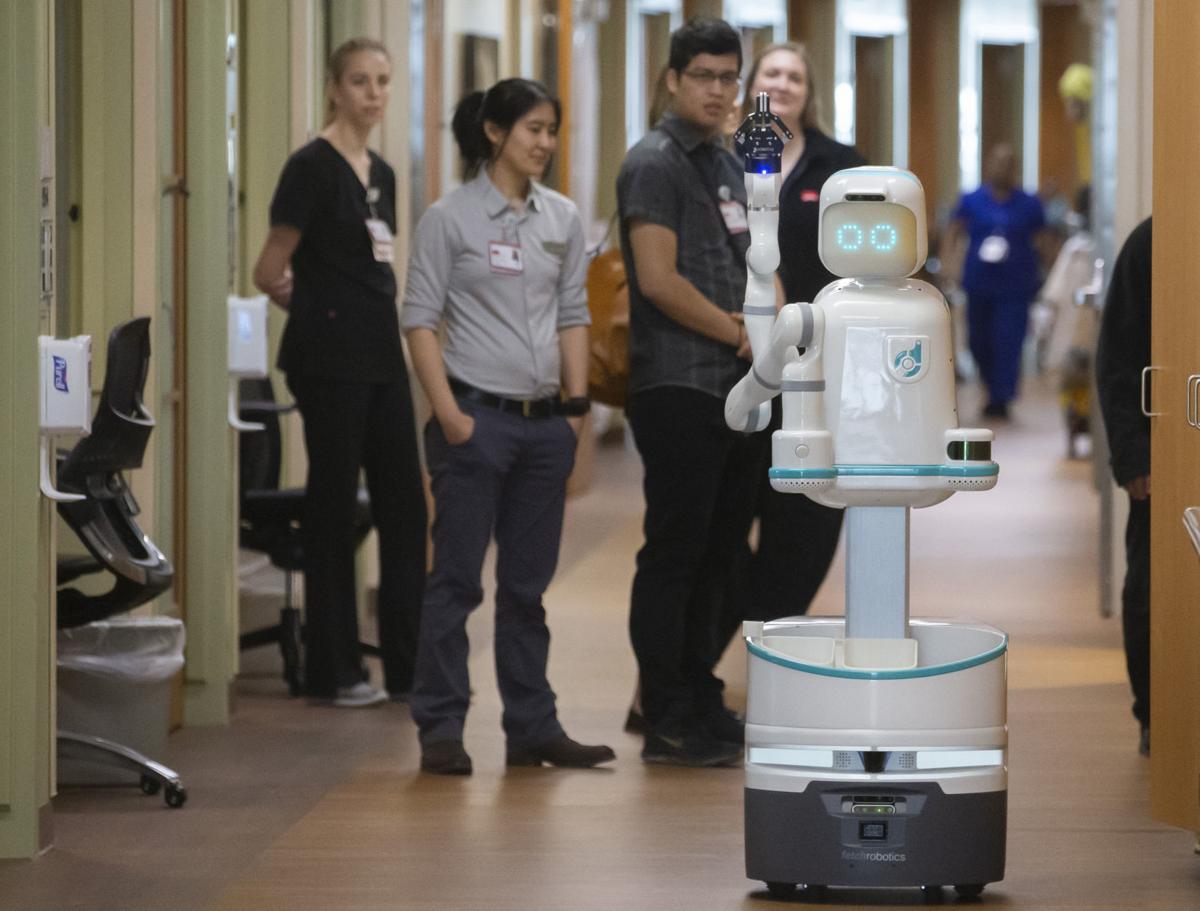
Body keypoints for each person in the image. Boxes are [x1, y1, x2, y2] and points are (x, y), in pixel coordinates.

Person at [402, 78, 616, 776]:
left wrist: (576, 411)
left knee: (527, 589)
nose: (545, 143)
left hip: (543, 427)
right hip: (475, 421)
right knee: (457, 582)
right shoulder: (449, 219)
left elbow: (573, 314)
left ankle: (532, 727)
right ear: (494, 133)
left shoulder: (561, 218)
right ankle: (441, 725)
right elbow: (419, 320)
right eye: (533, 129)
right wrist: (449, 414)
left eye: (552, 130)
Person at [253, 38, 427, 708]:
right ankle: (335, 670)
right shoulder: (310, 168)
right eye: (359, 81)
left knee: (405, 507)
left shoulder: (380, 171)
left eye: (382, 80)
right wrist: (319, 305)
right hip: (328, 361)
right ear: (334, 88)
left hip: (382, 355)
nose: (374, 94)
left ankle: (409, 668)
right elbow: (269, 269)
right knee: (332, 508)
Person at [617, 17, 762, 768]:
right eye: (703, 75)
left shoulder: (727, 163)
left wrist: (770, 325)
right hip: (678, 382)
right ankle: (665, 710)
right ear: (673, 79)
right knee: (677, 551)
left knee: (723, 553)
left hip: (739, 388)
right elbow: (657, 280)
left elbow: (750, 261)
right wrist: (738, 331)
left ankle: (699, 693)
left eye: (728, 77)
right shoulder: (654, 163)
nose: (717, 90)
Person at [715, 42, 865, 654]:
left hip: (815, 370)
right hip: (735, 365)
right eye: (771, 73)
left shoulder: (841, 167)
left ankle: (765, 642)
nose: (782, 83)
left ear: (810, 91)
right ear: (753, 83)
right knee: (720, 527)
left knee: (806, 527)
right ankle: (689, 666)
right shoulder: (721, 158)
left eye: (795, 76)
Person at [1095, 216, 1152, 756]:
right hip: (1168, 454)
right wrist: (1134, 455)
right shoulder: (1154, 243)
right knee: (1149, 591)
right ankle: (1156, 714)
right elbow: (1118, 360)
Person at [946, 143, 1047, 419]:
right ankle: (990, 385)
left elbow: (1044, 240)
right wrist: (949, 266)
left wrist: (1048, 274)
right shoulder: (972, 200)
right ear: (988, 165)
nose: (1002, 168)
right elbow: (954, 232)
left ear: (1015, 168)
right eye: (998, 162)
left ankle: (1001, 397)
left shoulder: (1029, 203)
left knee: (1008, 341)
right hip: (979, 283)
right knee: (978, 340)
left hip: (1015, 285)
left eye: (1008, 163)